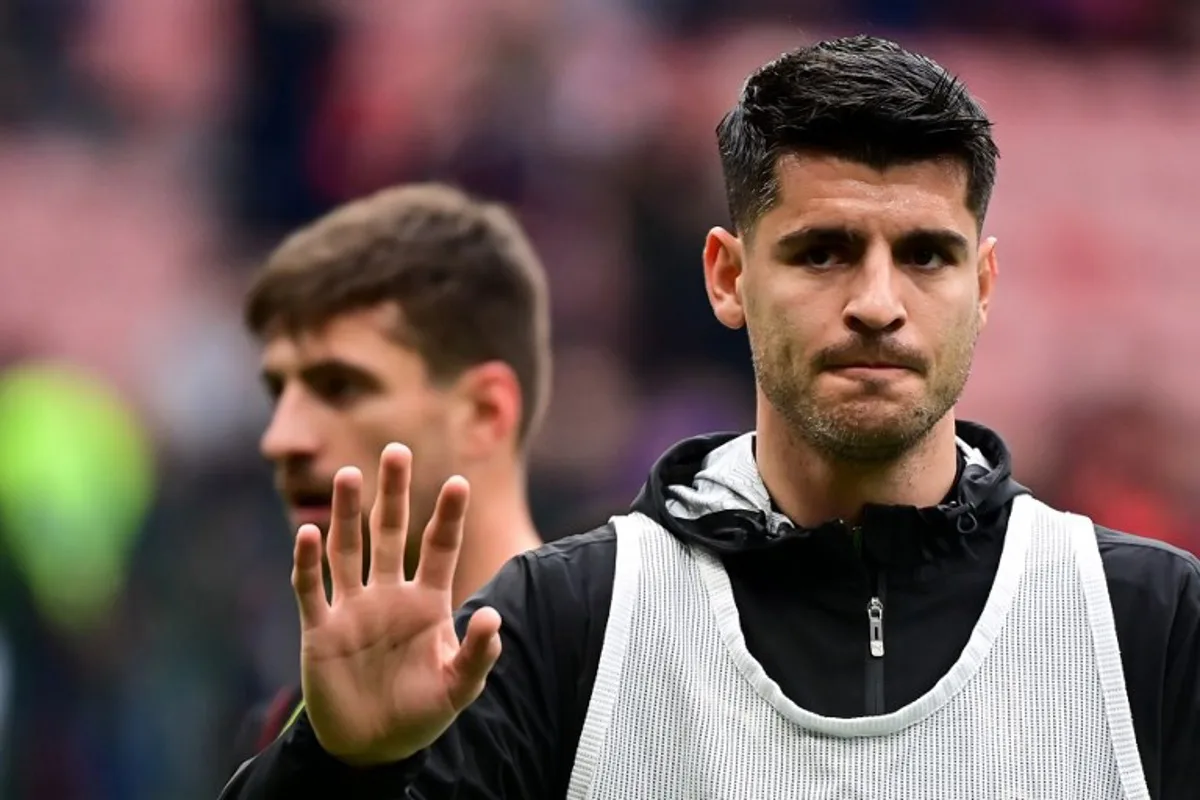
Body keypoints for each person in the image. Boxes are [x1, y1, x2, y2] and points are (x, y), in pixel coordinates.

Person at [219, 36, 1200, 800]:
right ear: (728, 277)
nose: (875, 300)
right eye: (821, 250)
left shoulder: (1152, 626)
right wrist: (336, 768)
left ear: (983, 283)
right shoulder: (567, 628)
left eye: (926, 255)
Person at [226, 182, 550, 770]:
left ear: (485, 412)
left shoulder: (630, 692)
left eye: (340, 386)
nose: (281, 438)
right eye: (278, 391)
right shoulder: (285, 728)